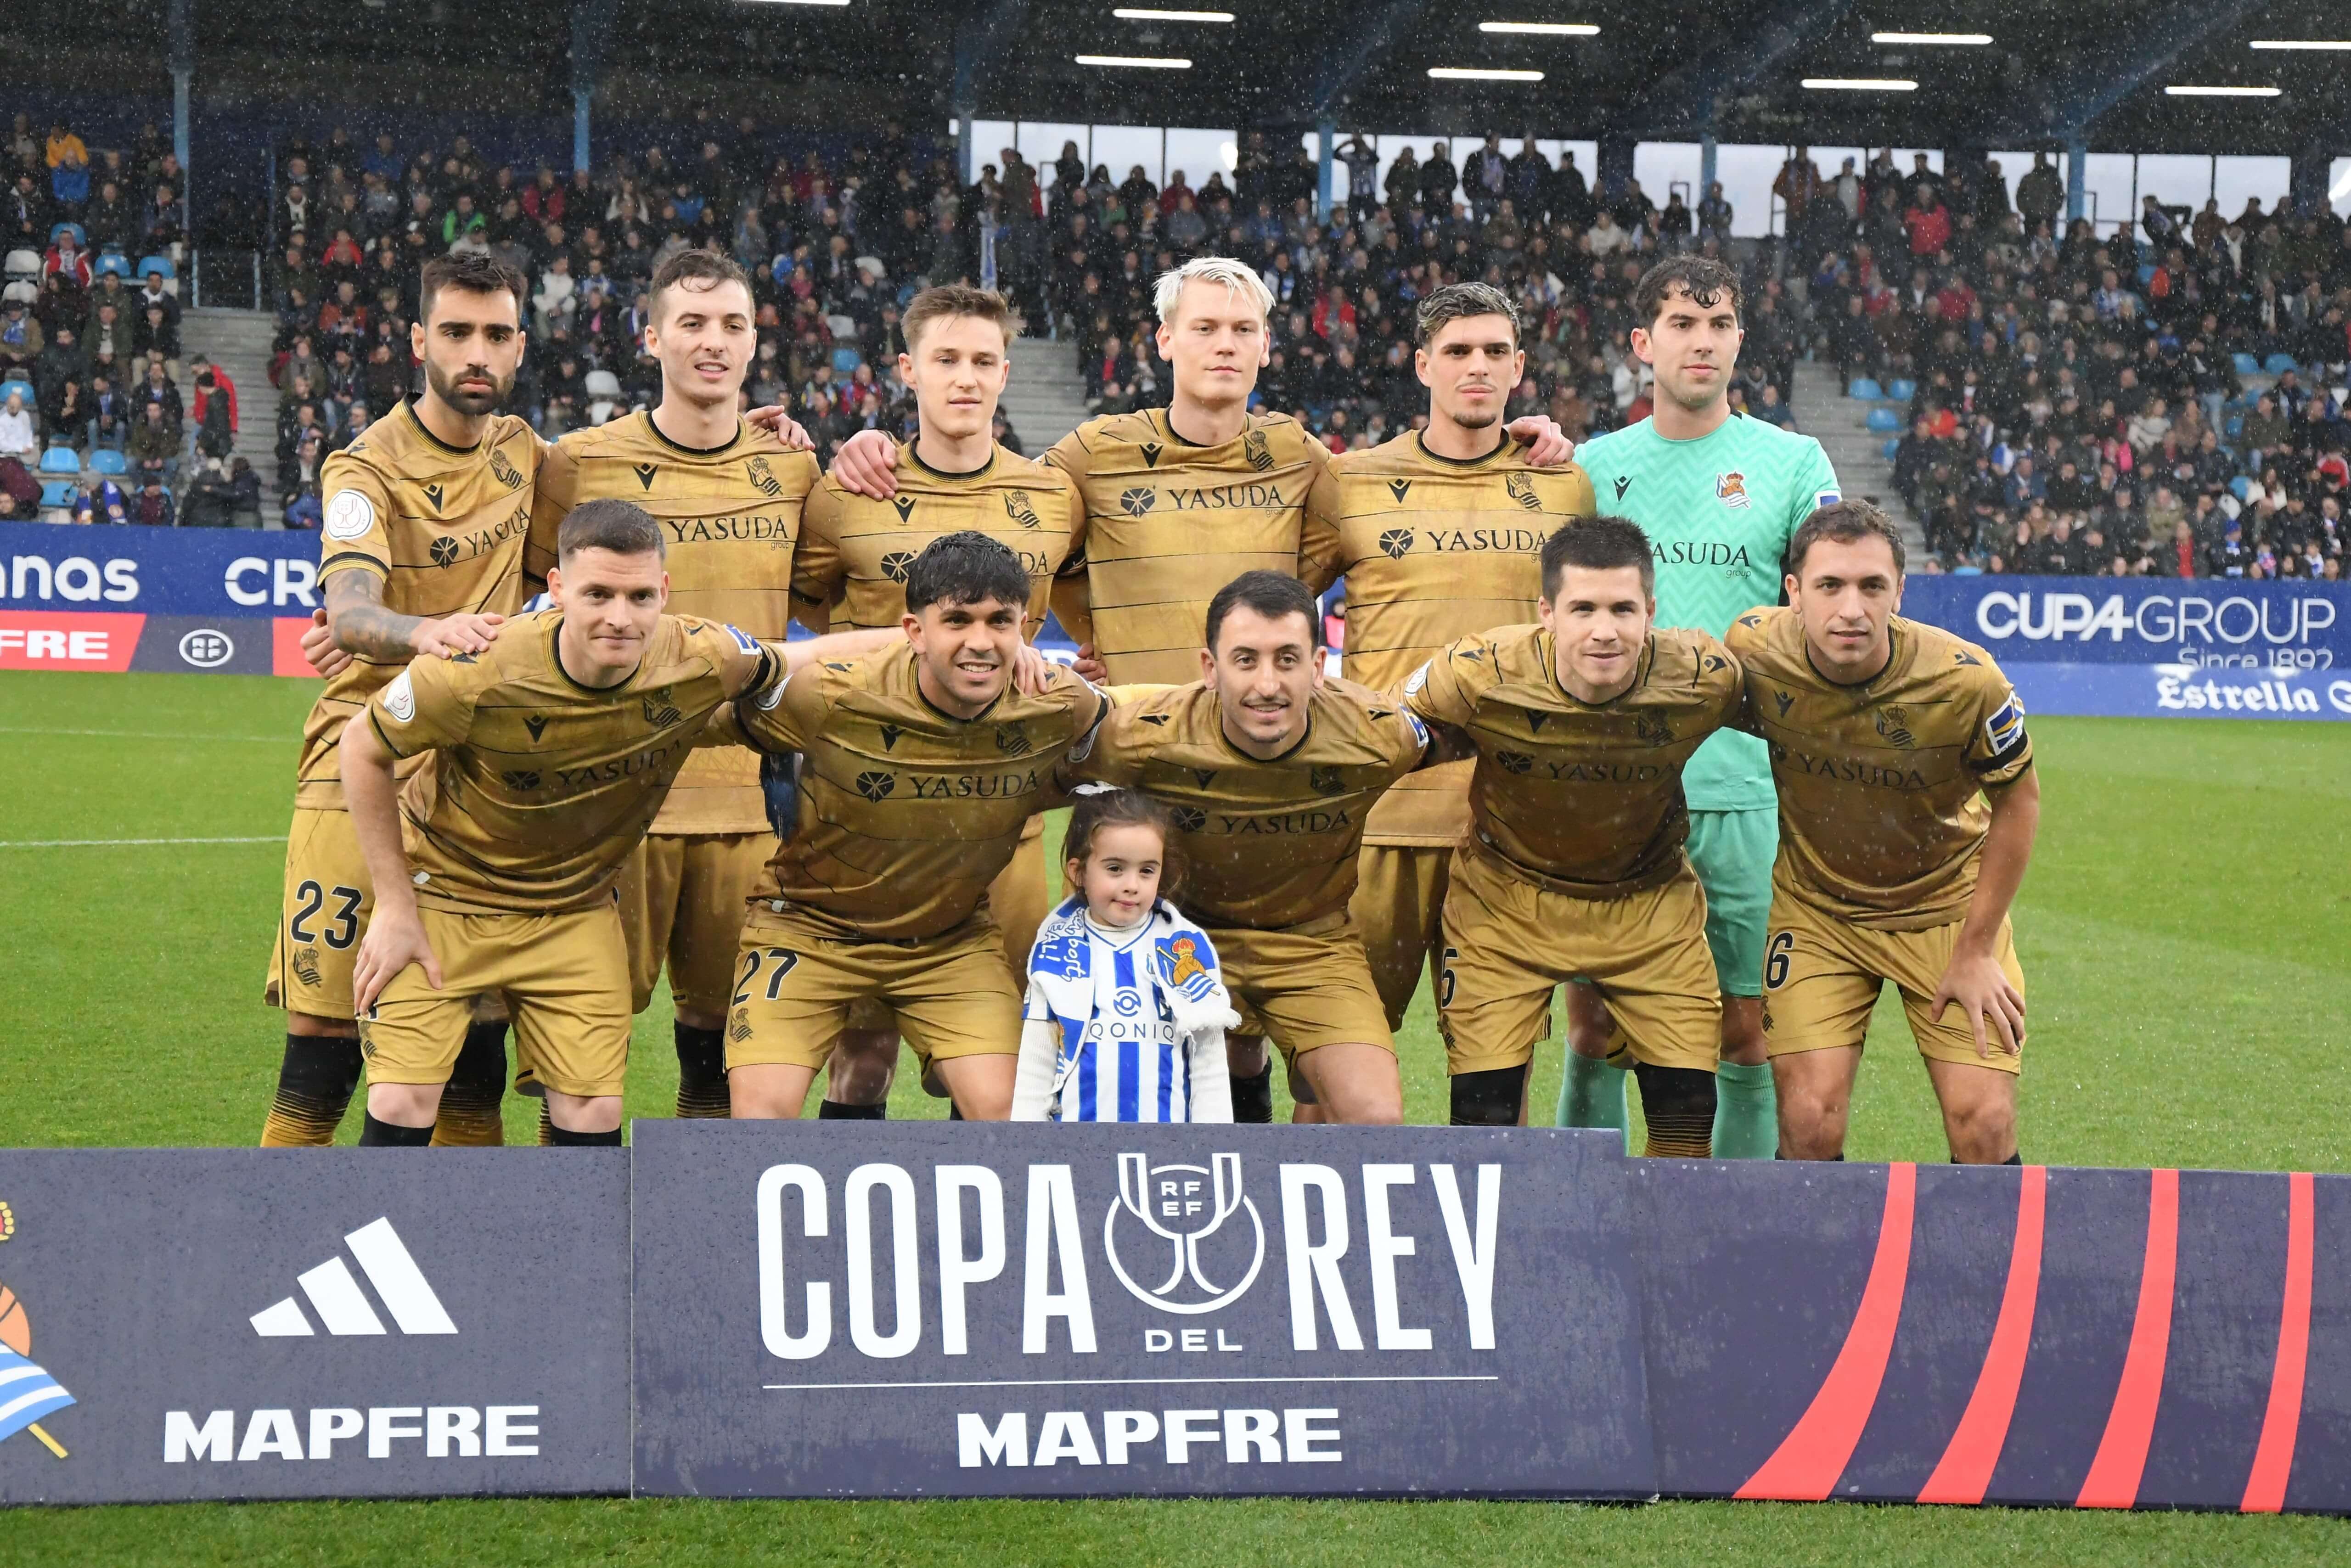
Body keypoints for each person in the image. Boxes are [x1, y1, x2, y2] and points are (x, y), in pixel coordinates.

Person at [340, 499, 889, 1146]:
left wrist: (932, 639)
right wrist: (396, 906)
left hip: (575, 910)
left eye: (637, 596)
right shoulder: (478, 667)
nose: (619, 618)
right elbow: (362, 746)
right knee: (403, 1099)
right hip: (446, 899)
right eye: (597, 593)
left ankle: (570, 1249)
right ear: (558, 589)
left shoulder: (703, 653)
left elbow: (810, 655)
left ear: (663, 591)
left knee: (592, 1114)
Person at [826, 256, 1573, 686]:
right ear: (1164, 341)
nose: (1225, 344)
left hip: (1262, 746)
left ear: (1266, 347)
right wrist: (878, 442)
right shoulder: (1092, 455)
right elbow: (1000, 515)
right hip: (1130, 756)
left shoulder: (1303, 460)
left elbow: (1421, 486)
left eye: (1243, 330)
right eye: (1205, 328)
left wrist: (1515, 436)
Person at [523, 248, 822, 1123]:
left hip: (747, 809)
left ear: (755, 340)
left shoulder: (796, 471)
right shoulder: (577, 464)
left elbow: (848, 592)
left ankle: (708, 1236)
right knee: (576, 1064)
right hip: (609, 803)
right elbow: (521, 597)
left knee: (724, 1050)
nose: (713, 342)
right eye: (692, 323)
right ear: (651, 336)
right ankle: (563, 1233)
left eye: (733, 324)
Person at [259, 251, 546, 1150]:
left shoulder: (527, 454)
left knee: (475, 1044)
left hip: (479, 777)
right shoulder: (363, 468)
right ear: (420, 340)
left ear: (520, 348)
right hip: (360, 760)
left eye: (495, 335)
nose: (476, 352)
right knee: (326, 1037)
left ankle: (459, 1267)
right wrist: (421, 633)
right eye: (456, 332)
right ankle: (271, 1253)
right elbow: (347, 610)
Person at [1564, 256, 1841, 1159]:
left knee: (1745, 1030)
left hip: (1745, 791)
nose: (1703, 341)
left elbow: (1832, 605)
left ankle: (1732, 1245)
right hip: (1612, 791)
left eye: (1719, 324)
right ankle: (1583, 1224)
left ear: (1739, 340)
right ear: (1644, 343)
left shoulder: (1792, 462)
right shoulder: (1590, 468)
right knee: (1598, 1025)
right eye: (1683, 323)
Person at [799, 284, 1080, 1117]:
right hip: (868, 816)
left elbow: (1088, 599)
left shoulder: (1056, 497)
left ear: (1006, 372)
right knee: (863, 1050)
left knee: (1002, 1058)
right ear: (907, 369)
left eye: (984, 361)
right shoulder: (841, 491)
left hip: (1006, 820)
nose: (966, 378)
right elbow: (813, 611)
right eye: (946, 360)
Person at [1298, 281, 1597, 1065]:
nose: (1479, 367)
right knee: (1333, 1074)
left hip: (1506, 830)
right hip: (1375, 821)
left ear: (1520, 367)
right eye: (1459, 351)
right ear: (1423, 364)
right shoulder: (1351, 480)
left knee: (1497, 1082)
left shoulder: (1565, 485)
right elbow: (1272, 611)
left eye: (1496, 352)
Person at [715, 532, 1104, 1121]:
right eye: (957, 621)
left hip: (947, 943)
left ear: (1025, 628)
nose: (980, 642)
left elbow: (1162, 722)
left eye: (1000, 622)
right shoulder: (831, 695)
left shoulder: (1057, 705)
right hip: (809, 929)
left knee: (1015, 1117)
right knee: (759, 1123)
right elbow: (701, 701)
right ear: (915, 630)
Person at [1400, 518, 1743, 1147]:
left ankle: (1662, 1246)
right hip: (1505, 900)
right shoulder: (1479, 670)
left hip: (1648, 901)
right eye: (1583, 608)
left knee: (1688, 1109)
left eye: (1623, 608)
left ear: (1652, 611)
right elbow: (1387, 734)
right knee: (1483, 1119)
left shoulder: (1704, 676)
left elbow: (1804, 723)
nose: (1604, 630)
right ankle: (1508, 1246)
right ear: (1547, 612)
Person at [1726, 501, 2037, 1164]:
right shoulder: (1754, 647)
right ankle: (1813, 1267)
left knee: (1983, 1124)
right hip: (1819, 914)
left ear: (1900, 590)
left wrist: (1978, 947)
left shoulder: (1966, 680)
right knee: (1810, 1120)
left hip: (1946, 913)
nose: (1851, 609)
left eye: (1872, 586)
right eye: (1830, 585)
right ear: (1793, 592)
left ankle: (1989, 1268)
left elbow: (2019, 800)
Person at [1069, 571, 1432, 1126]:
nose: (1268, 684)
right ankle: (1243, 1093)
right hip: (1180, 941)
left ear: (1317, 665)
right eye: (1245, 660)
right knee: (1134, 1110)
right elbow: (1040, 758)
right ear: (1209, 669)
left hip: (1314, 943)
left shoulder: (1377, 735)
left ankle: (1278, 1146)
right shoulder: (1142, 734)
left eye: (1287, 660)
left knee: (1375, 1121)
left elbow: (1469, 733)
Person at [1010, 787, 1237, 1123]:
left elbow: (1209, 1066)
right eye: (1115, 868)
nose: (1133, 884)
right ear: (1078, 872)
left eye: (1147, 871)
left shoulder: (1184, 949)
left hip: (1166, 1154)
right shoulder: (1058, 952)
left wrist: (1213, 1145)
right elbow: (1036, 1065)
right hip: (1075, 1151)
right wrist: (1026, 1148)